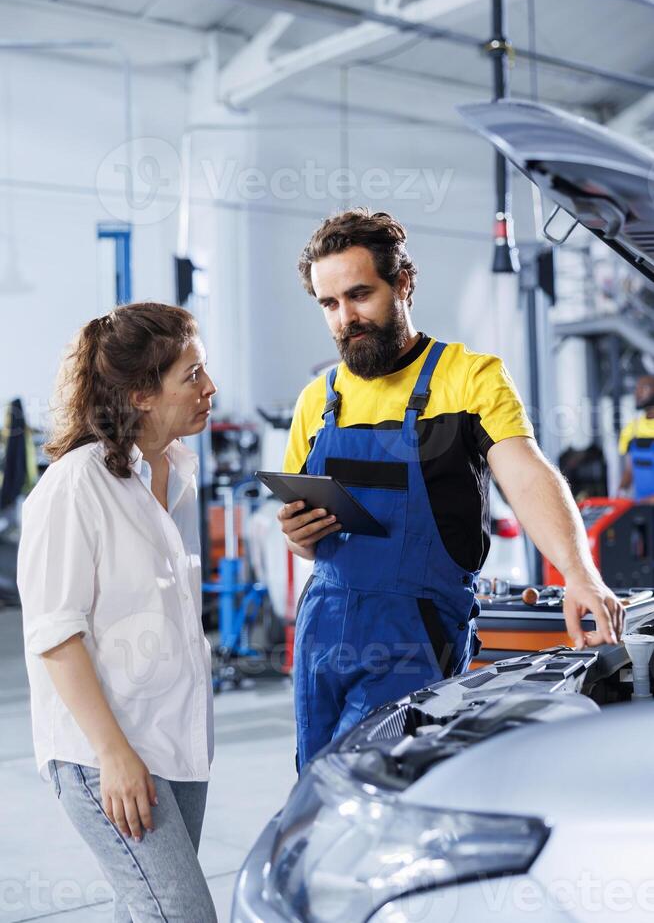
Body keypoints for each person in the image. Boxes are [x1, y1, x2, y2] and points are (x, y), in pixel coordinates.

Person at [278, 208, 624, 771]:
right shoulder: (317, 399)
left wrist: (579, 572)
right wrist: (297, 535)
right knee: (316, 785)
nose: (346, 317)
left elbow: (527, 474)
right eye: (330, 304)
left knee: (384, 781)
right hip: (325, 628)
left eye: (360, 295)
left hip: (416, 633)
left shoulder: (467, 377)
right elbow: (305, 531)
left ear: (403, 283)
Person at [17, 302, 218, 923]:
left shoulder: (175, 475)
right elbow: (55, 632)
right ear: (140, 394)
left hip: (177, 746)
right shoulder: (76, 485)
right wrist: (113, 755)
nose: (209, 388)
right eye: (191, 375)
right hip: (106, 753)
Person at [618, 374, 654, 501]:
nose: (637, 393)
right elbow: (629, 470)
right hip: (641, 510)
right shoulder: (631, 429)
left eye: (643, 388)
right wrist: (620, 493)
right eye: (636, 389)